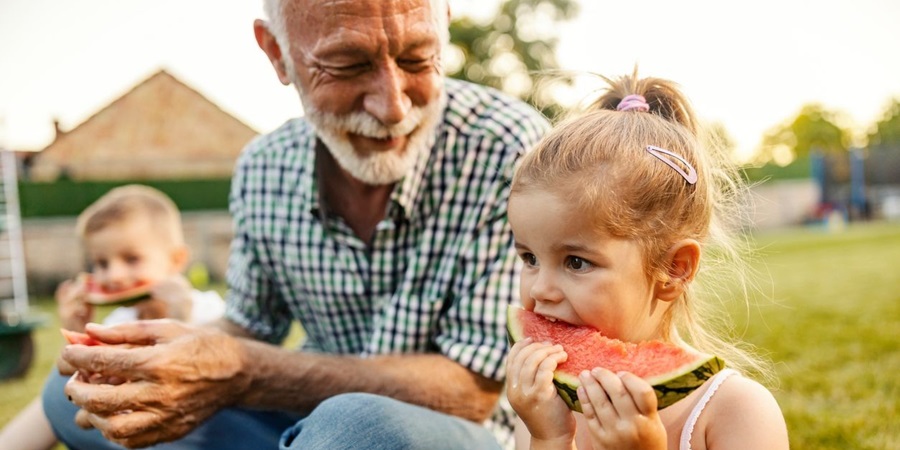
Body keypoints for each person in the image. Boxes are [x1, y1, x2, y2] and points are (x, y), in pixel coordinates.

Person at [46, 0, 550, 449]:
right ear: (276, 53)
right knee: (76, 392)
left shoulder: (508, 148)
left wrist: (242, 370)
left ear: (443, 23)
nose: (393, 105)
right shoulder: (264, 167)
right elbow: (248, 327)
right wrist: (164, 357)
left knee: (357, 426)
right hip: (305, 423)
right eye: (347, 65)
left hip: (458, 434)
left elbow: (474, 390)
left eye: (418, 58)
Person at [504, 71, 790, 450]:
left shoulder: (738, 412)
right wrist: (549, 438)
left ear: (674, 269)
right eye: (529, 258)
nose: (540, 289)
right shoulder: (545, 406)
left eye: (576, 262)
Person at [0, 184, 225, 450]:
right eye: (101, 263)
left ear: (176, 260)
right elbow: (71, 388)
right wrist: (75, 336)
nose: (113, 276)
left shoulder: (209, 309)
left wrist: (181, 318)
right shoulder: (115, 324)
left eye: (131, 259)